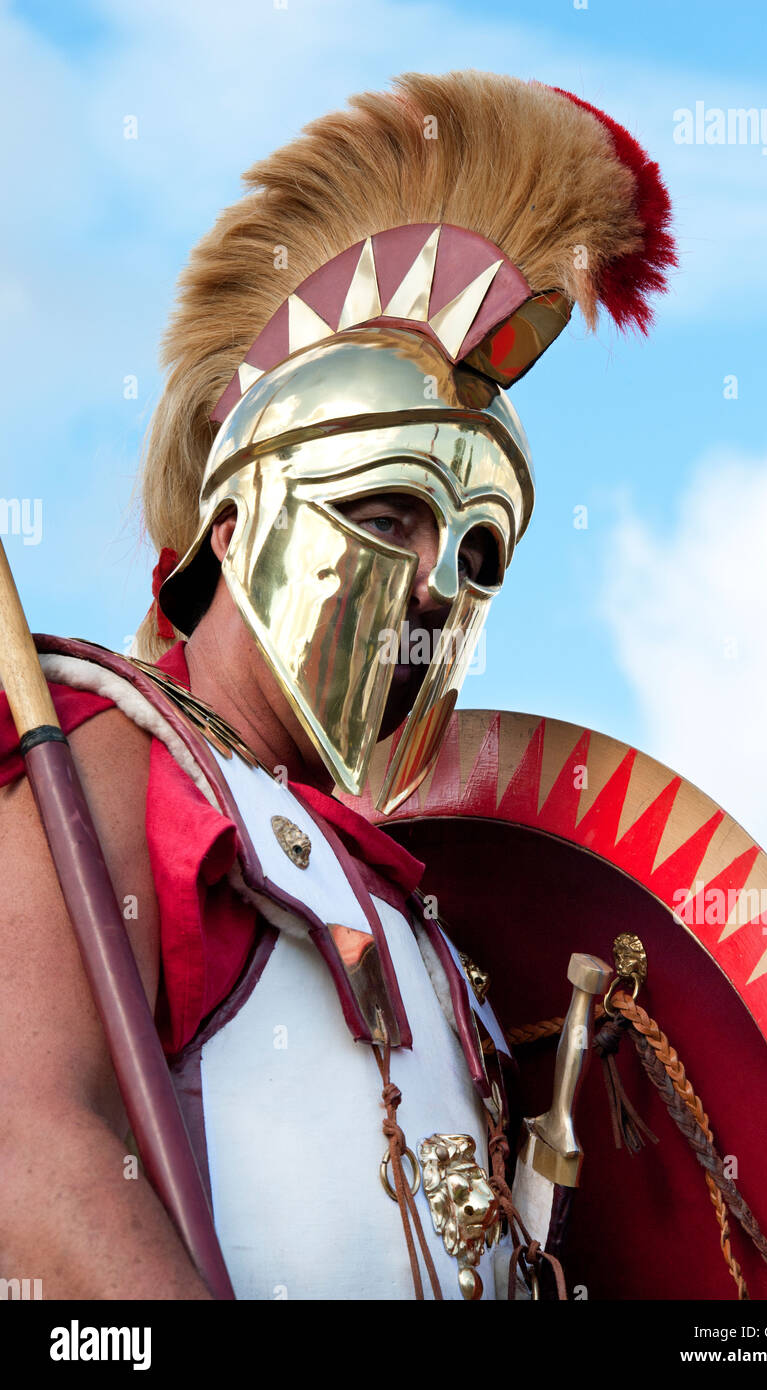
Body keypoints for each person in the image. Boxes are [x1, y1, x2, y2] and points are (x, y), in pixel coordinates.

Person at [0, 71, 674, 1300]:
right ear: (237, 511)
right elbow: (26, 1166)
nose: (434, 587)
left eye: (476, 551)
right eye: (386, 512)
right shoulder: (113, 755)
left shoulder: (424, 920)